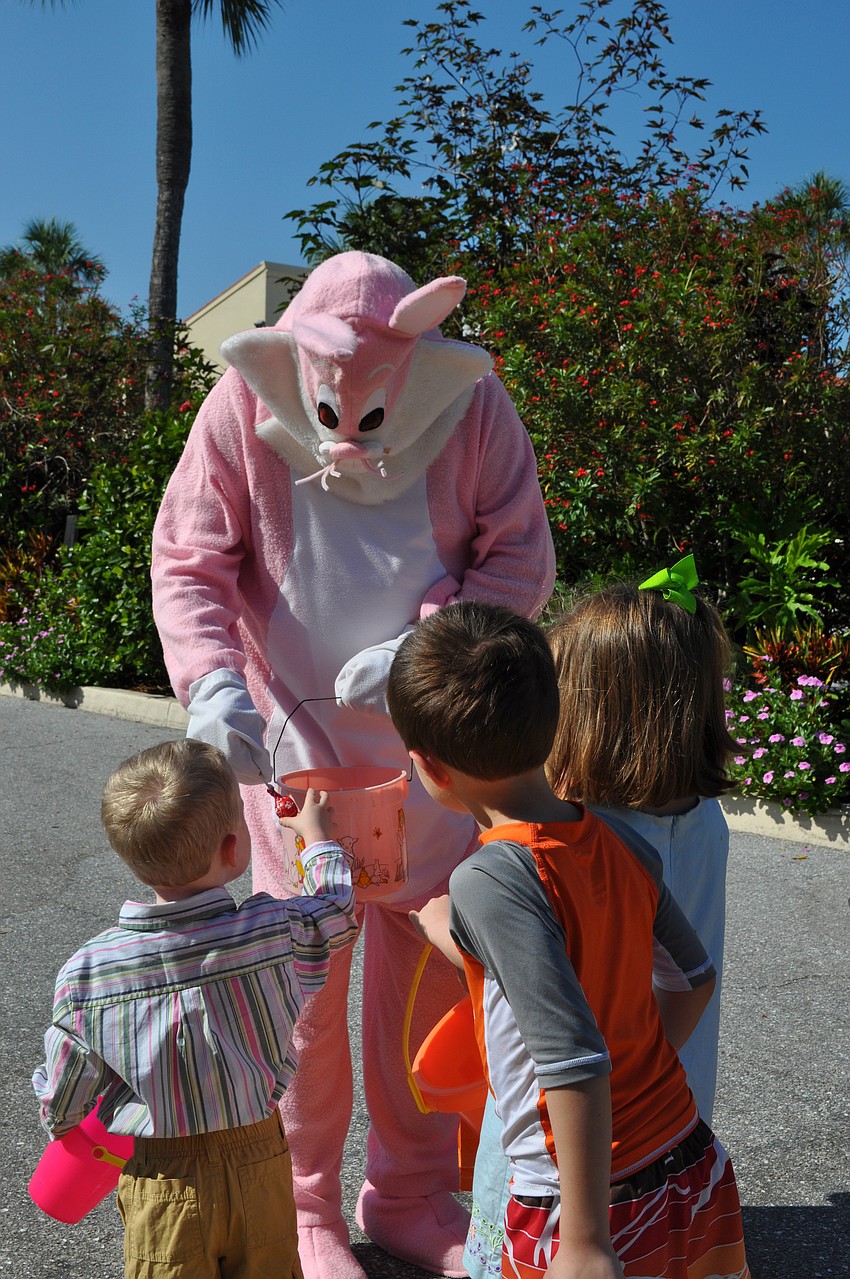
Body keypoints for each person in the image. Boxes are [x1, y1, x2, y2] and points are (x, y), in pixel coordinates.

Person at [151, 250, 556, 1279]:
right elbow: (189, 556)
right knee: (306, 997)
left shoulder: (471, 407)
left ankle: (409, 1191)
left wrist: (435, 643)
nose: (345, 441)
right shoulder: (241, 405)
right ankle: (305, 1206)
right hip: (298, 761)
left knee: (426, 985)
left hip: (434, 760)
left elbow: (519, 554)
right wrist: (212, 686)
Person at [387, 600, 750, 1279]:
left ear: (428, 767)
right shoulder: (617, 839)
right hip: (687, 1160)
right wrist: (637, 1079)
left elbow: (574, 1058)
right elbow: (691, 976)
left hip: (581, 1202)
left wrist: (583, 1240)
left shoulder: (487, 878)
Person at [33, 739, 358, 1279]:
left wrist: (63, 1121)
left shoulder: (87, 973)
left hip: (160, 1174)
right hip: (259, 1156)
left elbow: (65, 1094)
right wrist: (318, 839)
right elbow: (334, 909)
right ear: (234, 848)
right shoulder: (273, 933)